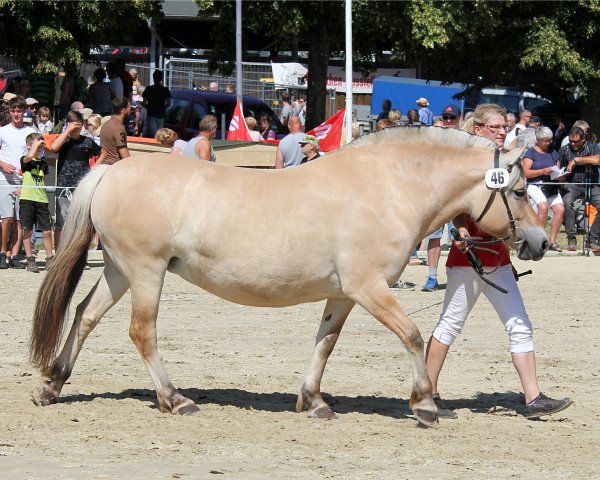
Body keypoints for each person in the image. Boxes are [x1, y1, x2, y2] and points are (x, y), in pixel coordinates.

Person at [425, 103, 572, 420]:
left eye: (504, 127)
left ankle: (533, 398)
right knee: (449, 326)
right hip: (468, 259)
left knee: (520, 325)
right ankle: (427, 393)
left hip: (499, 259)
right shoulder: (465, 164)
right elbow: (452, 207)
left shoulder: (504, 161)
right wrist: (461, 229)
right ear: (478, 129)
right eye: (495, 128)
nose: (503, 131)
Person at [50, 110, 103, 248]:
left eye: (79, 125)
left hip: (81, 188)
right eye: (75, 125)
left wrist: (94, 168)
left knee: (80, 223)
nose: (77, 128)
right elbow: (54, 147)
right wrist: (68, 129)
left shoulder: (87, 141)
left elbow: (103, 153)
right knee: (61, 223)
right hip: (63, 186)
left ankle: (77, 253)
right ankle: (58, 253)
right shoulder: (63, 140)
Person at [0, 95, 35, 269]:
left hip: (24, 180)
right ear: (10, 111)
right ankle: (2, 252)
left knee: (20, 220)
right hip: (5, 178)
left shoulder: (31, 130)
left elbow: (37, 154)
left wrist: (26, 168)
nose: (16, 113)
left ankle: (14, 255)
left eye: (19, 110)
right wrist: (3, 164)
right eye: (13, 110)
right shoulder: (3, 130)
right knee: (6, 218)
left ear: (24, 111)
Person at [558, 125, 600, 251]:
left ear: (583, 139)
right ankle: (571, 237)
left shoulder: (592, 147)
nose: (573, 144)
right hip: (572, 184)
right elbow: (558, 167)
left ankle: (592, 239)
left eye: (575, 141)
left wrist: (576, 160)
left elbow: (597, 160)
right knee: (567, 202)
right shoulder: (565, 149)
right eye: (571, 141)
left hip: (591, 184)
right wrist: (559, 176)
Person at [523, 126, 565, 252]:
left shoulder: (553, 152)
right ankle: (539, 240)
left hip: (551, 185)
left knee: (560, 210)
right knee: (543, 206)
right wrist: (542, 171)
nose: (548, 143)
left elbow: (557, 170)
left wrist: (561, 176)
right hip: (535, 184)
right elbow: (526, 173)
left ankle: (552, 241)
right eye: (545, 140)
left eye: (549, 140)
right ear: (538, 140)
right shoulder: (530, 152)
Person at [19, 133, 53, 272]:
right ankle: (30, 260)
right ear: (28, 145)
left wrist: (40, 146)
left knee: (46, 231)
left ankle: (50, 259)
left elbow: (43, 180)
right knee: (27, 230)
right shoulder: (24, 159)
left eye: (41, 146)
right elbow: (28, 157)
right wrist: (36, 145)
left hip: (41, 200)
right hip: (27, 199)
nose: (39, 148)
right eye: (36, 146)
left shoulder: (43, 164)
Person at [97, 97, 131, 166]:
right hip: (114, 167)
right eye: (130, 108)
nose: (131, 111)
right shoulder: (118, 128)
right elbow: (125, 156)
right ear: (124, 110)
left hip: (104, 165)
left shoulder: (106, 124)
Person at [142, 70, 171, 138]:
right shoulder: (165, 89)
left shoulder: (149, 89)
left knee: (154, 135)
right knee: (160, 136)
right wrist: (163, 108)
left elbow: (144, 103)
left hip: (151, 114)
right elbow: (169, 104)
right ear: (161, 78)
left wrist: (148, 107)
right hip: (161, 116)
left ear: (153, 78)